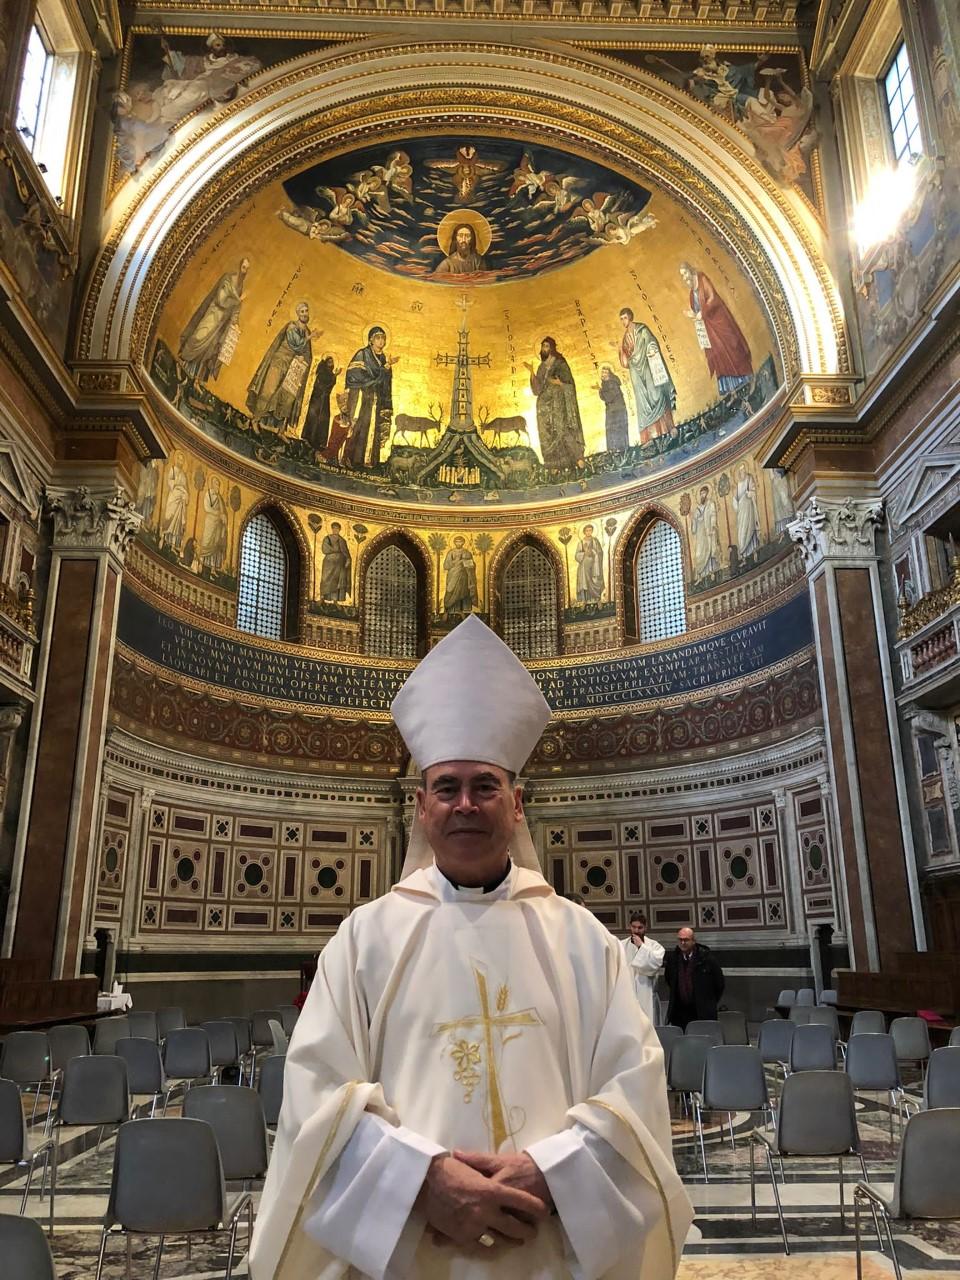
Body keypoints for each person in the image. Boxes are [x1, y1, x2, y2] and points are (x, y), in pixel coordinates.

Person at [251, 615, 692, 1280]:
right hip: (405, 1250)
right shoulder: (365, 940)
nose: (465, 804)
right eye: (447, 788)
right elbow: (316, 1094)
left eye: (485, 786)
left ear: (517, 804)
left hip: (549, 1246)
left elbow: (636, 1088)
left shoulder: (583, 941)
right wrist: (421, 1180)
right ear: (421, 807)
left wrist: (550, 1174)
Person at [678, 263, 753, 394]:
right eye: (682, 276)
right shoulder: (691, 294)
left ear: (690, 270)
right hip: (710, 331)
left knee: (731, 347)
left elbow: (713, 298)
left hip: (720, 321)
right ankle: (732, 389)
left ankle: (746, 378)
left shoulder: (702, 280)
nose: (684, 277)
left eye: (685, 273)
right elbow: (697, 313)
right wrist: (693, 315)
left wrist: (702, 312)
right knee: (719, 356)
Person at [246, 301, 320, 430]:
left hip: (291, 368)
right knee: (268, 390)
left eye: (306, 311)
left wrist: (303, 359)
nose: (305, 314)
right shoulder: (291, 326)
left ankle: (268, 424)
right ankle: (255, 419)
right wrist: (309, 337)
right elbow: (295, 343)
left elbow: (306, 352)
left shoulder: (306, 331)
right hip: (279, 362)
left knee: (283, 398)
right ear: (298, 314)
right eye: (302, 311)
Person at [178, 258, 248, 385]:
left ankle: (190, 375)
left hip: (220, 323)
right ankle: (181, 360)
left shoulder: (240, 286)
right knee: (199, 337)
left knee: (208, 349)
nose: (244, 271)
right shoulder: (228, 279)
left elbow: (235, 310)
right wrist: (238, 300)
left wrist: (236, 323)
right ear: (239, 266)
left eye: (246, 270)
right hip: (213, 314)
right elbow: (221, 300)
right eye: (244, 267)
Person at [524, 337, 585, 474]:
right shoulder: (541, 367)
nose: (543, 349)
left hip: (559, 403)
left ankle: (577, 459)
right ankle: (554, 465)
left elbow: (569, 383)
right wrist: (532, 372)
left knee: (562, 428)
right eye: (542, 347)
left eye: (546, 346)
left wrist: (559, 383)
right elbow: (537, 390)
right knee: (547, 433)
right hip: (544, 406)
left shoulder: (560, 363)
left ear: (552, 348)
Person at [617, 308, 676, 446]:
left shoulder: (642, 330)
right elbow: (625, 363)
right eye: (621, 319)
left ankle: (669, 427)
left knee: (657, 394)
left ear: (630, 317)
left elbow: (651, 343)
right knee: (643, 403)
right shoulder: (625, 339)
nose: (623, 321)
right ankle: (648, 438)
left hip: (648, 365)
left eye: (625, 317)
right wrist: (620, 349)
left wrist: (650, 350)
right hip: (635, 372)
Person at [344, 326, 398, 469]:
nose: (381, 341)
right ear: (370, 340)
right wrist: (382, 371)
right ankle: (350, 457)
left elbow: (385, 383)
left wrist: (386, 370)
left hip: (376, 400)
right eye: (378, 338)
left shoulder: (384, 358)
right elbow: (354, 375)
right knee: (359, 425)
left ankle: (368, 460)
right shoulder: (363, 354)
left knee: (374, 428)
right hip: (363, 398)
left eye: (383, 338)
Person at [664, 927, 724, 1030]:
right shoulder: (673, 959)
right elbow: (669, 980)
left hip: (702, 1011)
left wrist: (709, 1002)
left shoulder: (707, 959)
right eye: (680, 940)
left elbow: (719, 984)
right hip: (679, 1012)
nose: (683, 943)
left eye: (686, 940)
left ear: (693, 941)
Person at [621, 912, 664, 1025]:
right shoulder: (621, 946)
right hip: (627, 996)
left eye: (640, 927)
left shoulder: (654, 946)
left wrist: (641, 947)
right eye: (634, 927)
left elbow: (653, 966)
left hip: (647, 994)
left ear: (645, 927)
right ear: (630, 926)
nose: (636, 930)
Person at [302, 354, 341, 452]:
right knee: (314, 418)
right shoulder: (322, 372)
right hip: (318, 400)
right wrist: (334, 376)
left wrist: (334, 376)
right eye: (329, 362)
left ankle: (319, 442)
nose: (331, 364)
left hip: (324, 401)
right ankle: (310, 438)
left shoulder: (330, 374)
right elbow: (323, 386)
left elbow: (330, 387)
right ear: (325, 363)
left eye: (332, 362)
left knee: (323, 420)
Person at [691, 483, 722, 585]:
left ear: (707, 493)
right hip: (701, 534)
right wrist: (695, 519)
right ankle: (700, 575)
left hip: (708, 532)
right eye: (701, 494)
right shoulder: (698, 508)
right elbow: (694, 524)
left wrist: (713, 526)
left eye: (704, 493)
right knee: (699, 553)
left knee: (710, 550)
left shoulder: (710, 504)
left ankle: (712, 572)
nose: (702, 496)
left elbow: (713, 515)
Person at [732, 462, 761, 563]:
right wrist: (737, 505)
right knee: (742, 533)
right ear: (739, 473)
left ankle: (754, 552)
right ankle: (744, 557)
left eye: (744, 469)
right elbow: (735, 500)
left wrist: (749, 494)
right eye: (741, 470)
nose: (743, 471)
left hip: (749, 509)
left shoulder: (749, 479)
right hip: (741, 512)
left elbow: (753, 491)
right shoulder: (737, 486)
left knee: (751, 528)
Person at [596, 364, 629, 452]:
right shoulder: (605, 383)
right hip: (611, 410)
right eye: (602, 372)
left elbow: (609, 397)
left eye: (605, 372)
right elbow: (605, 397)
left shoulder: (612, 383)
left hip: (617, 410)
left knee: (617, 429)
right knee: (611, 430)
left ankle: (621, 449)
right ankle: (613, 450)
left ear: (610, 373)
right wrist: (601, 390)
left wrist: (600, 390)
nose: (603, 374)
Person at [443, 535, 478, 615]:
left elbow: (472, 565)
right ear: (454, 542)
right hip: (453, 576)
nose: (458, 543)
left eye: (460, 542)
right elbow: (446, 566)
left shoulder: (467, 553)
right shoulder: (451, 553)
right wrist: (456, 562)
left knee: (464, 592)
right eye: (457, 542)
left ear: (463, 543)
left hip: (464, 576)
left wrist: (467, 563)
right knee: (450, 590)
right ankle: (450, 610)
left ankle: (465, 611)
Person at [319, 521, 352, 602]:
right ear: (332, 529)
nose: (335, 530)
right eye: (334, 528)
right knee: (326, 579)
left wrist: (348, 559)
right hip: (329, 563)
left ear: (339, 530)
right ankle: (322, 598)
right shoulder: (327, 538)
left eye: (337, 528)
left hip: (339, 563)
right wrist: (335, 550)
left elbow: (346, 552)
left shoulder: (342, 540)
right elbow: (325, 549)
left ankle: (335, 600)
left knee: (337, 581)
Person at [574, 524, 604, 604]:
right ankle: (584, 601)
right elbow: (577, 555)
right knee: (585, 583)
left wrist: (594, 553)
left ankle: (597, 600)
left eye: (590, 530)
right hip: (584, 566)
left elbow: (600, 552)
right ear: (584, 532)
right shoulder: (581, 542)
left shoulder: (595, 541)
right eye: (587, 531)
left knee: (594, 581)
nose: (588, 532)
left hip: (594, 565)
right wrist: (584, 554)